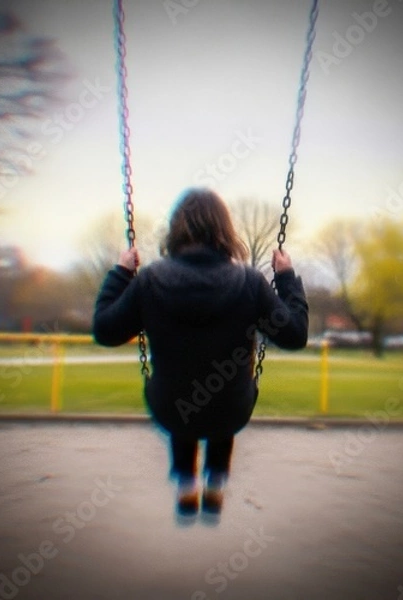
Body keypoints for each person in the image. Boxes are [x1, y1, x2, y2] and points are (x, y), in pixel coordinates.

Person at [93, 188, 308, 517]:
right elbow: (295, 335)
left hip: (170, 408)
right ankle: (216, 480)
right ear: (225, 230)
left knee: (184, 403)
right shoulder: (250, 282)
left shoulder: (149, 280)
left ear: (176, 230)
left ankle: (186, 482)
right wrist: (286, 278)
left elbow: (105, 331)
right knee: (224, 398)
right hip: (231, 409)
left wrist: (121, 273)